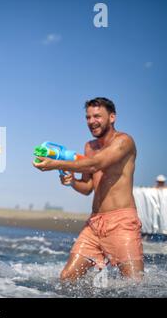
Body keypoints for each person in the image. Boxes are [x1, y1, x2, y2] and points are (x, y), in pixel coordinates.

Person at [33, 97, 144, 282]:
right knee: (67, 279)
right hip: (94, 224)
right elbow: (87, 187)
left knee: (135, 285)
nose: (92, 121)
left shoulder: (124, 142)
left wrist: (55, 163)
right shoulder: (89, 147)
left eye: (97, 116)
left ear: (112, 117)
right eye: (88, 117)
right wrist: (71, 181)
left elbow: (95, 164)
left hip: (122, 222)